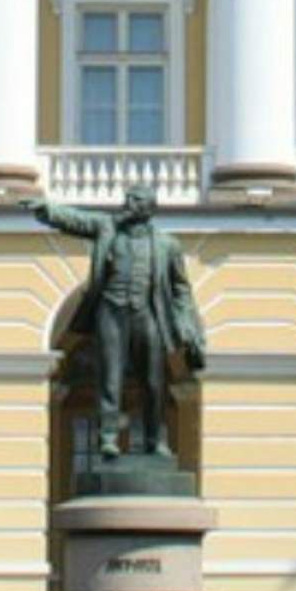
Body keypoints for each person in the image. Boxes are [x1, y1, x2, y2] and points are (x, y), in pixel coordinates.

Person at [31, 186, 206, 458]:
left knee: (153, 380)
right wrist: (47, 210)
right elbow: (76, 219)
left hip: (148, 312)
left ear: (149, 207)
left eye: (135, 199)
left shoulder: (167, 245)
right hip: (111, 311)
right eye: (127, 198)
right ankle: (108, 438)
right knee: (109, 377)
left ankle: (154, 439)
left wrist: (186, 325)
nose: (127, 203)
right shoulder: (107, 227)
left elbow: (180, 288)